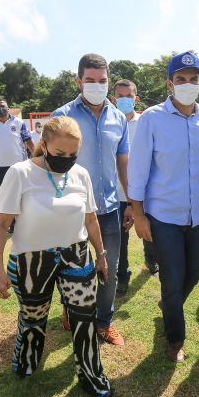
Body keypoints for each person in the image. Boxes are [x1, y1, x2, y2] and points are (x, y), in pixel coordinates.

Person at [0, 116, 113, 397]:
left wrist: (102, 255)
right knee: (34, 315)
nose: (67, 159)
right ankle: (27, 360)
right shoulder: (20, 173)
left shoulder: (80, 174)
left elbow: (91, 219)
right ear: (43, 145)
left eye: (73, 154)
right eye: (59, 154)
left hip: (76, 254)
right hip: (31, 259)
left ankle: (91, 373)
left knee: (85, 315)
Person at [129, 51, 199, 362]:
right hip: (164, 215)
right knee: (172, 278)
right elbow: (138, 170)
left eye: (193, 79)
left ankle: (170, 306)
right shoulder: (153, 118)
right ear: (170, 83)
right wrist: (139, 215)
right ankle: (175, 339)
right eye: (181, 79)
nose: (188, 84)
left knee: (195, 271)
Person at [52, 54, 131, 346]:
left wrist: (132, 202)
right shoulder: (62, 116)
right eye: (90, 80)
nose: (97, 86)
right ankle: (70, 310)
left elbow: (123, 164)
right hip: (71, 209)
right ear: (79, 81)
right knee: (72, 268)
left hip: (109, 209)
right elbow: (50, 163)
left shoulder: (118, 118)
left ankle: (104, 323)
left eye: (102, 81)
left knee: (107, 269)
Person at [113, 79, 157, 297]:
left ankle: (151, 259)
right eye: (120, 96)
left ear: (136, 98)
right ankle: (122, 277)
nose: (124, 100)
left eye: (128, 96)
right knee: (120, 238)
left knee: (148, 230)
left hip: (144, 192)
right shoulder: (107, 123)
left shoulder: (145, 123)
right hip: (117, 193)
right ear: (113, 99)